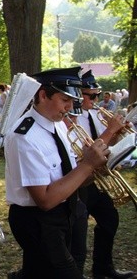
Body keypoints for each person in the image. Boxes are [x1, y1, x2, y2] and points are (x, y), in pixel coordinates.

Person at [4, 66, 111, 278]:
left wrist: (97, 169)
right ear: (43, 95)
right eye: (65, 100)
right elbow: (44, 199)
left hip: (66, 212)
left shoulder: (58, 125)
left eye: (73, 101)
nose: (70, 107)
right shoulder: (24, 136)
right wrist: (87, 165)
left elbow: (67, 179)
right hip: (38, 220)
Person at [73, 70, 134, 279]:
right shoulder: (71, 119)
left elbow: (106, 144)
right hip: (80, 181)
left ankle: (103, 267)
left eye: (97, 95)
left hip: (97, 181)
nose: (96, 100)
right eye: (91, 96)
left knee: (110, 219)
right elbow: (91, 148)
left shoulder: (93, 114)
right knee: (76, 233)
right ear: (78, 94)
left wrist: (119, 136)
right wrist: (109, 131)